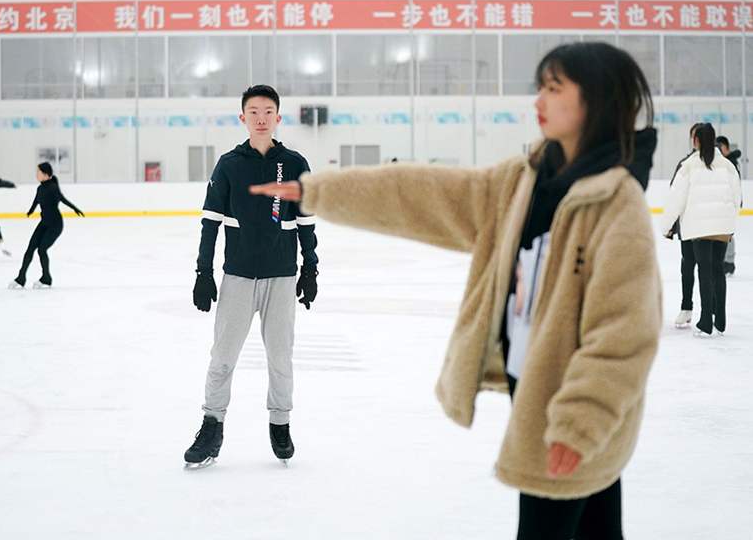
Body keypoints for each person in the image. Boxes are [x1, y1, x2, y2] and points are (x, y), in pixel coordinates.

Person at [252, 42, 661, 539]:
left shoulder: (617, 205)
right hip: (535, 386)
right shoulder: (523, 181)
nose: (539, 100)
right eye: (540, 87)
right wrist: (320, 192)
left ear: (596, 101)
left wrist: (580, 423)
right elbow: (422, 194)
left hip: (567, 406)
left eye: (554, 89)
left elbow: (623, 333)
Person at [183, 85, 319, 469]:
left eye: (268, 111)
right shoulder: (229, 164)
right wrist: (202, 273)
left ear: (278, 117)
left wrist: (310, 268)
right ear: (242, 117)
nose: (261, 117)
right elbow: (210, 222)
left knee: (281, 358)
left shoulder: (294, 164)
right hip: (238, 277)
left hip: (281, 277)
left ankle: (280, 423)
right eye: (253, 111)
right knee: (222, 358)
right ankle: (212, 426)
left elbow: (306, 222)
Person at [662, 124, 742, 336]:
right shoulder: (727, 165)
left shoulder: (688, 166)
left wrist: (666, 225)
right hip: (722, 227)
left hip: (698, 227)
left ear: (696, 140)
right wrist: (730, 221)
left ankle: (706, 320)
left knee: (704, 270)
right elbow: (737, 198)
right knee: (718, 269)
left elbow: (675, 199)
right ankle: (721, 319)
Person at [9, 162, 84, 289]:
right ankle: (21, 278)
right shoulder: (40, 188)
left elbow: (62, 199)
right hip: (44, 223)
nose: (36, 174)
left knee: (41, 249)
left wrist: (75, 209)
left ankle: (46, 278)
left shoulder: (53, 188)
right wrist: (31, 211)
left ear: (45, 174)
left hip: (55, 225)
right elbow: (36, 200)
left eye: (38, 172)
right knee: (30, 248)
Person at [667, 123, 704, 327]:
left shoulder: (716, 164)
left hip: (706, 226)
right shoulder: (685, 163)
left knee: (707, 270)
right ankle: (686, 307)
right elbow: (675, 195)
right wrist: (672, 225)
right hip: (688, 226)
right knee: (688, 267)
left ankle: (711, 310)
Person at [716, 135, 742, 276]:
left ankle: (729, 262)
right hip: (722, 202)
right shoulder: (724, 162)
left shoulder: (730, 163)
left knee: (727, 233)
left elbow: (734, 186)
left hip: (729, 202)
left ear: (726, 148)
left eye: (720, 147)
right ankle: (725, 261)